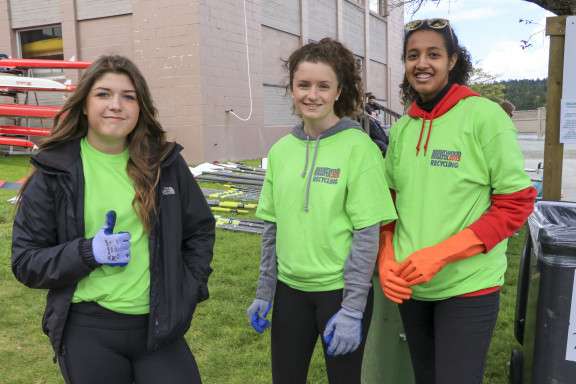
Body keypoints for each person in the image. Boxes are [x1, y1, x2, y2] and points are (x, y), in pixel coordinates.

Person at [11, 55, 215, 384]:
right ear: (84, 104)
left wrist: (187, 288)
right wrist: (88, 252)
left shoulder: (165, 163)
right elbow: (26, 261)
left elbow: (200, 230)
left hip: (158, 327)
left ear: (140, 107)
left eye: (128, 96)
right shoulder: (55, 171)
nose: (116, 105)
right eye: (103, 94)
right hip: (88, 329)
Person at [377, 19, 537, 384]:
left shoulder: (485, 116)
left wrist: (440, 254)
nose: (422, 63)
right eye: (412, 55)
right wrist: (385, 258)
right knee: (425, 376)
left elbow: (515, 202)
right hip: (410, 283)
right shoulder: (403, 129)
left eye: (434, 54)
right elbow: (388, 202)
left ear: (452, 61)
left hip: (468, 286)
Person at [247, 38, 397, 383]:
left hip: (339, 293)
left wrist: (352, 308)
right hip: (289, 292)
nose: (312, 95)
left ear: (338, 91)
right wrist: (264, 291)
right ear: (292, 88)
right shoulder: (282, 150)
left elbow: (366, 235)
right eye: (303, 85)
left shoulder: (359, 148)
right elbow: (271, 228)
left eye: (323, 86)